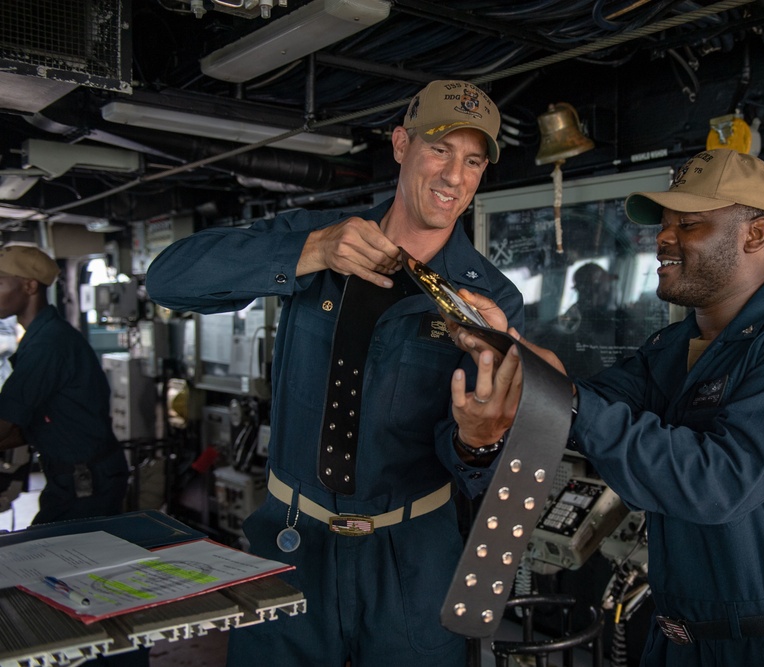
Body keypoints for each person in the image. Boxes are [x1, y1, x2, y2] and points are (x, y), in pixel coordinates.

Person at [145, 80, 524, 667]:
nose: (454, 176)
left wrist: (480, 443)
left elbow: (492, 474)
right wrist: (309, 252)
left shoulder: (491, 301)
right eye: (440, 150)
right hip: (292, 542)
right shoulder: (317, 235)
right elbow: (168, 279)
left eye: (473, 161)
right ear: (401, 144)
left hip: (412, 560)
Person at [450, 148, 764, 666]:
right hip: (676, 641)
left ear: (756, 234)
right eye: (665, 225)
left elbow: (716, 482)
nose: (663, 239)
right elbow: (585, 404)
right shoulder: (671, 348)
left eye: (689, 225)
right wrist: (511, 352)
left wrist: (568, 400)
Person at [0, 244, 129, 526]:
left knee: (48, 557)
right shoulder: (44, 335)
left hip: (85, 480)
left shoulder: (48, 345)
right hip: (74, 475)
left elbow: (6, 424)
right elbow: (28, 426)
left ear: (30, 286)